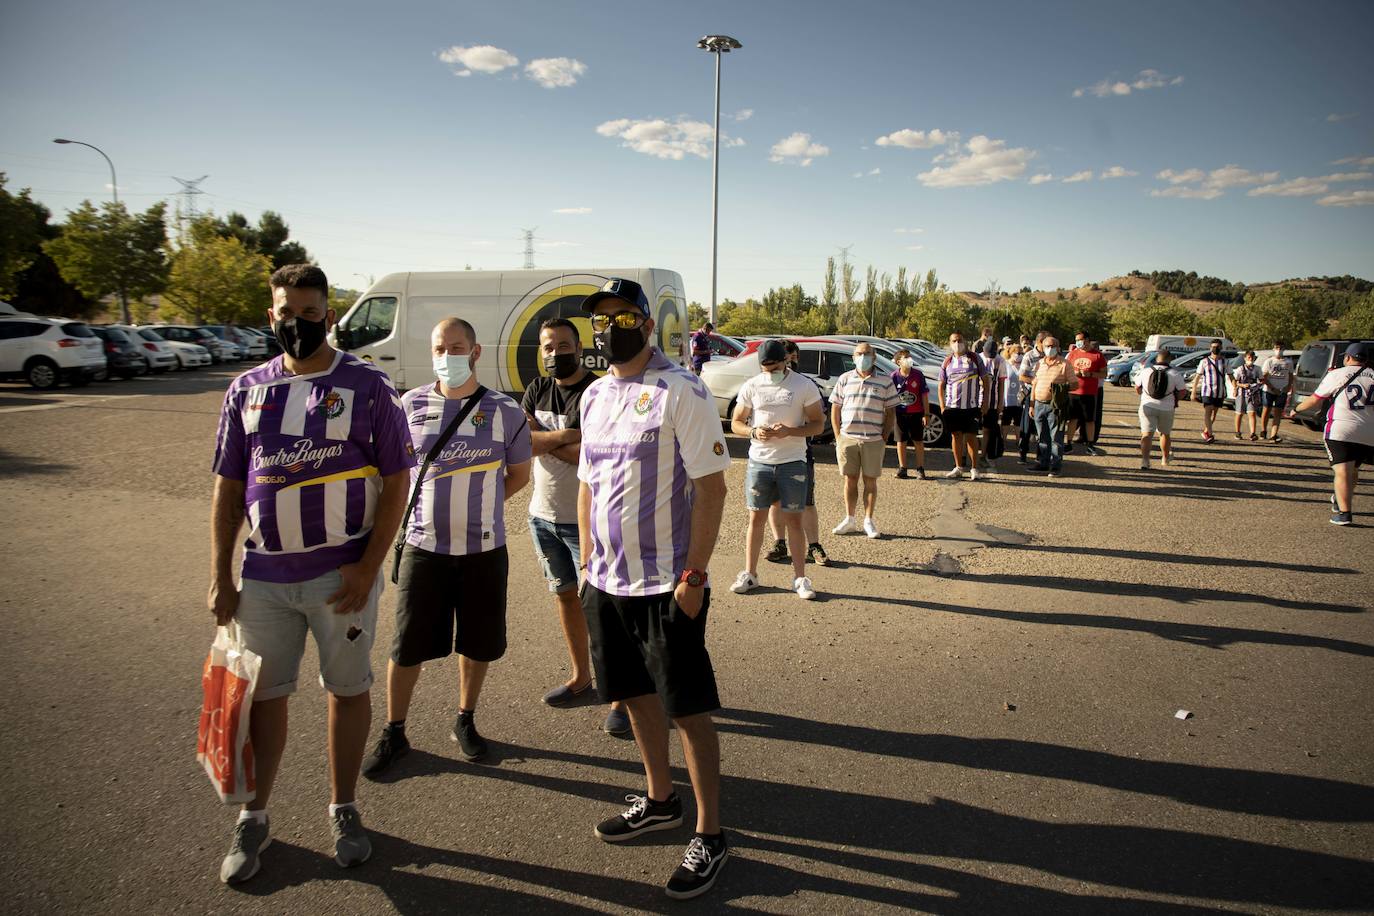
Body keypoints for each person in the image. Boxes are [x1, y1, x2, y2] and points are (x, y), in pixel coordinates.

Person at [209, 264, 415, 883]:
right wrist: (222, 572)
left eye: (308, 313)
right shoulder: (246, 388)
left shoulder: (368, 386)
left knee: (346, 691)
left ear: (329, 315)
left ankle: (344, 808)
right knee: (264, 701)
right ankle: (255, 816)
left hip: (340, 579)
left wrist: (367, 567)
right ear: (270, 315)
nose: (295, 324)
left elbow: (397, 482)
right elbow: (227, 486)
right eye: (284, 313)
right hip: (264, 579)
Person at [576, 277, 732, 900]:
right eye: (599, 320)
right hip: (607, 582)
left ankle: (711, 832)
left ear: (643, 323)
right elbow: (588, 483)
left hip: (667, 584)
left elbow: (712, 490)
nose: (607, 329)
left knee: (687, 710)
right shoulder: (593, 395)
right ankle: (660, 799)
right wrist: (587, 561)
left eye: (619, 317)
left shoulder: (682, 390)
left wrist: (693, 577)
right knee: (635, 696)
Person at [361, 318, 531, 777]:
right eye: (440, 347)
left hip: (483, 551)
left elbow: (518, 476)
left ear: (475, 352)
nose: (447, 356)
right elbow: (392, 475)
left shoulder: (504, 411)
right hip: (423, 548)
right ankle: (395, 730)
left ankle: (465, 719)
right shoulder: (409, 404)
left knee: (476, 644)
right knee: (407, 645)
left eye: (456, 347)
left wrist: (482, 506)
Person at [520, 318, 628, 736]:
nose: (554, 353)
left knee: (606, 611)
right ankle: (582, 677)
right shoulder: (536, 389)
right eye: (548, 346)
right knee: (565, 598)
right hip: (542, 516)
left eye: (563, 345)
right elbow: (523, 441)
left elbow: (597, 455)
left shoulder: (598, 392)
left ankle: (620, 695)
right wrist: (568, 437)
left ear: (579, 346)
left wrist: (549, 440)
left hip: (589, 520)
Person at [729, 339, 825, 600]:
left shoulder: (803, 385)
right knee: (755, 519)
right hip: (759, 462)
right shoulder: (752, 385)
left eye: (774, 367)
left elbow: (818, 424)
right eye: (765, 368)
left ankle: (800, 578)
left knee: (794, 520)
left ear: (787, 360)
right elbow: (736, 422)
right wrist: (752, 431)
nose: (769, 372)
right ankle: (750, 574)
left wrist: (790, 431)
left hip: (792, 462)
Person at [764, 340, 830, 566]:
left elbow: (818, 419)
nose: (788, 360)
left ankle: (814, 546)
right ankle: (779, 543)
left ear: (793, 357)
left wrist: (792, 430)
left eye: (789, 355)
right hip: (770, 453)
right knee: (775, 501)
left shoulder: (804, 383)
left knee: (806, 502)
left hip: (800, 453)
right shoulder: (762, 382)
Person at [1294, 342, 1374, 526]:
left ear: (1347, 358)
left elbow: (1315, 399)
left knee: (1342, 471)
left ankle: (1344, 513)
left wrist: (1296, 409)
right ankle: (1340, 500)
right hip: (1369, 431)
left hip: (1342, 429)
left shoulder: (1337, 374)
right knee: (1353, 469)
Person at [831, 341, 898, 537]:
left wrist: (884, 436)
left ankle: (868, 520)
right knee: (850, 480)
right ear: (853, 358)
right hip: (848, 439)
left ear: (874, 357)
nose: (863, 357)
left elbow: (891, 412)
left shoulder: (885, 381)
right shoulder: (844, 379)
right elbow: (835, 409)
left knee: (870, 481)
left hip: (873, 440)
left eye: (867, 353)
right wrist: (838, 436)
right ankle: (850, 519)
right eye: (859, 354)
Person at [938, 331, 991, 480]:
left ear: (965, 341)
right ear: (950, 343)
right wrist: (942, 406)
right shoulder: (947, 361)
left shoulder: (975, 358)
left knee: (971, 437)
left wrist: (985, 402)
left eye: (959, 340)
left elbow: (986, 382)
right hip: (952, 407)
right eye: (954, 341)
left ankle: (974, 468)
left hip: (971, 406)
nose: (957, 343)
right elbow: (941, 385)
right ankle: (958, 467)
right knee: (956, 436)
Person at [1024, 335, 1072, 477]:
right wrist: (1032, 404)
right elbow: (1034, 384)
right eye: (1047, 346)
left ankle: (1056, 466)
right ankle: (1043, 463)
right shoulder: (1039, 364)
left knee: (1056, 437)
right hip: (1039, 404)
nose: (1050, 349)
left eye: (1052, 346)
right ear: (1042, 347)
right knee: (1042, 437)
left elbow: (1075, 383)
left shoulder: (1065, 364)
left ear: (1058, 347)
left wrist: (1061, 387)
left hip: (1055, 406)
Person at [1135, 351, 1185, 469]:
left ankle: (1145, 461)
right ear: (1169, 359)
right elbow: (1182, 392)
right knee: (1164, 434)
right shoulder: (1174, 373)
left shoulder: (1145, 371)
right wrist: (1174, 399)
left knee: (1146, 434)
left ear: (1157, 359)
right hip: (1166, 407)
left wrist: (1144, 395)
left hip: (1147, 406)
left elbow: (1137, 388)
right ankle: (1164, 458)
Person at [890, 346, 929, 479]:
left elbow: (924, 395)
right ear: (898, 362)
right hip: (900, 414)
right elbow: (890, 397)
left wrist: (926, 414)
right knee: (901, 441)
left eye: (909, 356)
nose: (909, 359)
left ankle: (920, 468)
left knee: (918, 441)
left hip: (916, 413)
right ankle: (903, 468)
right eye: (905, 358)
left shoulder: (918, 375)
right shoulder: (894, 376)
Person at [1065, 334, 1107, 455]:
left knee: (1090, 420)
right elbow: (1066, 369)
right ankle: (1068, 443)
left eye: (1080, 340)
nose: (1078, 342)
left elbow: (1104, 374)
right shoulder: (1072, 354)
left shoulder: (1098, 355)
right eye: (1076, 340)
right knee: (1073, 419)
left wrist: (1090, 374)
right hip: (1073, 391)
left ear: (1087, 340)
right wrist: (1075, 372)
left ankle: (1090, 445)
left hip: (1089, 392)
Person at [977, 338, 1009, 470]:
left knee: (987, 430)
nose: (989, 357)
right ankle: (965, 457)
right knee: (970, 430)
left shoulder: (1000, 361)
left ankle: (983, 456)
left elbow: (1001, 383)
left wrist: (1001, 402)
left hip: (992, 401)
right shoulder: (977, 358)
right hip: (975, 400)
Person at [1016, 332, 1046, 464]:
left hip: (1045, 395)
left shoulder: (1050, 357)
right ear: (1039, 343)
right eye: (1046, 344)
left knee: (1043, 427)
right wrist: (1034, 381)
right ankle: (1023, 453)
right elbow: (1021, 376)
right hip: (1030, 394)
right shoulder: (1029, 356)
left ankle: (1041, 455)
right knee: (1027, 426)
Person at [1191, 339, 1229, 443]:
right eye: (1213, 346)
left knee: (1214, 414)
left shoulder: (1225, 361)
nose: (1215, 348)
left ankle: (1206, 432)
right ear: (1210, 348)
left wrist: (1234, 387)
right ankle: (1210, 435)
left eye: (1217, 346)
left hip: (1220, 391)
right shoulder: (1204, 361)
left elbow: (1230, 375)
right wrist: (1193, 391)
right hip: (1207, 391)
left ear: (1221, 347)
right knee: (1208, 410)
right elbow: (1197, 377)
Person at [1260, 341, 1295, 442]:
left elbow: (1291, 376)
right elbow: (1264, 377)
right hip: (1269, 390)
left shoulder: (1288, 362)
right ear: (1274, 349)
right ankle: (1263, 430)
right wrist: (1272, 388)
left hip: (1282, 390)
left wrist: (1288, 387)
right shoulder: (1269, 361)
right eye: (1277, 348)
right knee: (1266, 410)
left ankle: (1273, 434)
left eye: (1281, 348)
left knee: (1278, 412)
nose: (1279, 350)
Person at [1232, 350, 1262, 440]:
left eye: (1252, 358)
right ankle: (1237, 431)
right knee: (1239, 413)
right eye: (1249, 357)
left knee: (1252, 413)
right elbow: (1235, 381)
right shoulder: (1240, 369)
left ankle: (1252, 433)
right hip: (1241, 393)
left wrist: (1258, 385)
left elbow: (1261, 379)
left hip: (1252, 394)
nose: (1250, 359)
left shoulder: (1257, 369)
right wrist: (1240, 386)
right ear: (1245, 358)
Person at [1000, 343, 1024, 442]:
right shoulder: (1005, 364)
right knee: (1006, 422)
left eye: (1021, 353)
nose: (1019, 355)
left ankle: (1019, 443)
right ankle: (1003, 442)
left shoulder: (1023, 364)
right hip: (1007, 399)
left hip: (1019, 398)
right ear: (1011, 353)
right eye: (1017, 353)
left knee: (1018, 422)